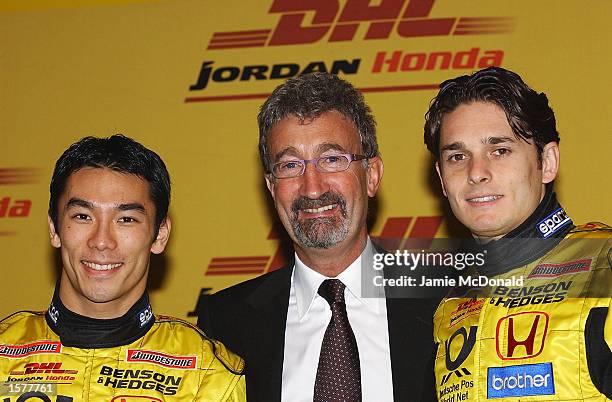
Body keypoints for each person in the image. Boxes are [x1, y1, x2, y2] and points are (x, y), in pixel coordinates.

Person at [198, 73, 438, 401]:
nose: (312, 187)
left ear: (371, 175)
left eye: (332, 160)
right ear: (271, 187)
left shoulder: (445, 300)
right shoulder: (225, 321)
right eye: (290, 165)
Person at [0, 135, 246, 401]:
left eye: (126, 219)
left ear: (160, 234)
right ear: (54, 229)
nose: (102, 241)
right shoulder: (5, 353)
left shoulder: (205, 374)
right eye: (83, 216)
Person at [424, 67, 611, 401]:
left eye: (500, 150)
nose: (476, 173)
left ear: (548, 162)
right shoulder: (448, 306)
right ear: (441, 178)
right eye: (457, 156)